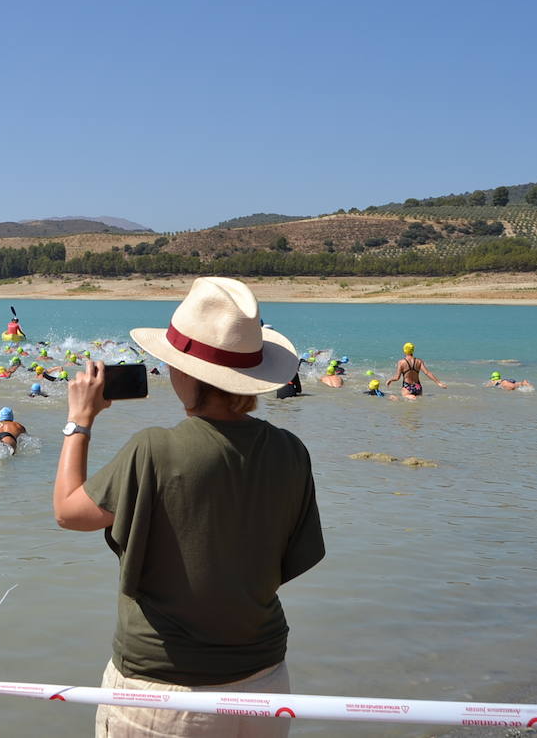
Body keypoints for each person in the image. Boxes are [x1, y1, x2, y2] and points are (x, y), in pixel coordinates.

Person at [53, 277, 325, 737]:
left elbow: (68, 511)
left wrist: (78, 422)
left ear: (184, 372)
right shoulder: (291, 450)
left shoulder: (155, 449)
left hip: (164, 690)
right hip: (267, 679)